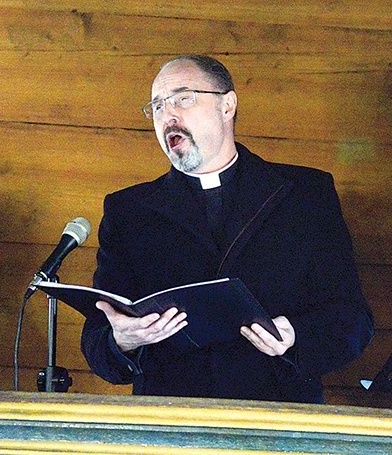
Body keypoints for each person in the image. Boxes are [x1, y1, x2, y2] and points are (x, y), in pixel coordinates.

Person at [81, 54, 374, 403]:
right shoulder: (129, 212)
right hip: (172, 422)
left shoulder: (304, 194)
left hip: (279, 415)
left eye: (182, 98)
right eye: (157, 107)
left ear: (228, 105)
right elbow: (98, 339)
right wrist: (122, 341)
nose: (167, 116)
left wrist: (296, 335)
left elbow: (352, 319)